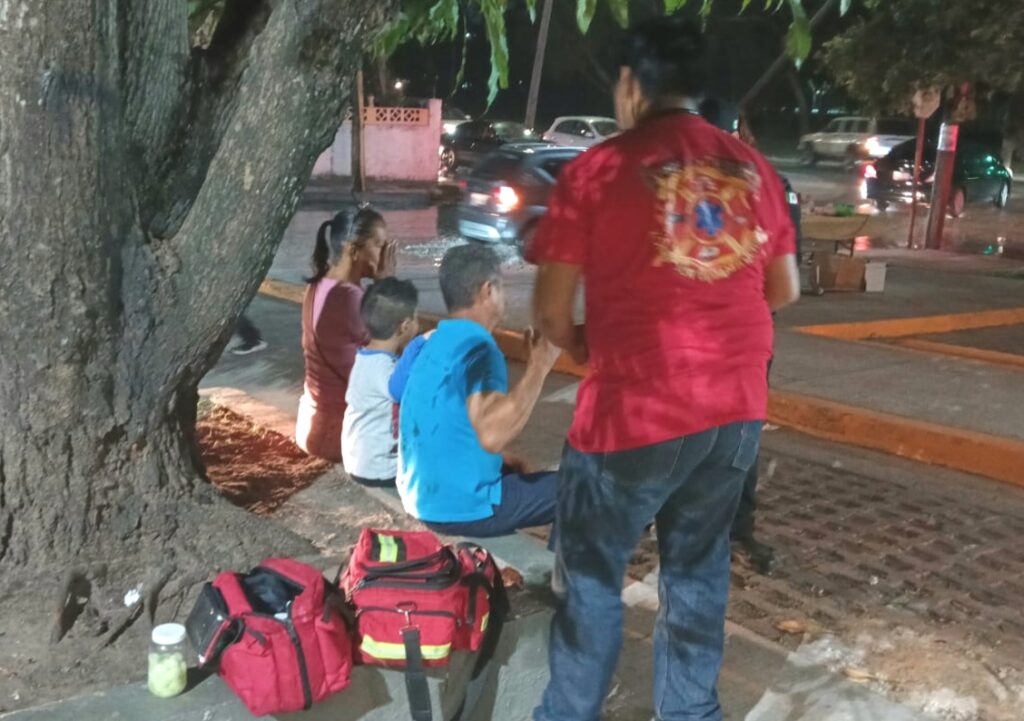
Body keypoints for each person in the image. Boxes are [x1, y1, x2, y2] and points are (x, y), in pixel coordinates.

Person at [529, 17, 800, 721]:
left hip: (634, 413)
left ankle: (569, 712)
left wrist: (589, 345)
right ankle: (690, 711)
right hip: (736, 412)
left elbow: (551, 314)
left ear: (630, 86)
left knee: (590, 572)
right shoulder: (753, 168)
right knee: (697, 569)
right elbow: (783, 290)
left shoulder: (597, 170)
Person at [699, 96, 803, 575]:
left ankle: (730, 528)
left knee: (726, 432)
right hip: (734, 335)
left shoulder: (763, 187)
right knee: (736, 432)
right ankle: (724, 528)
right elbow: (785, 285)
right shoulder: (767, 185)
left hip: (714, 335)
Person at [397, 243, 562, 538]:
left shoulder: (434, 342)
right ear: (488, 290)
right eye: (502, 288)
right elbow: (492, 435)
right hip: (461, 509)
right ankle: (569, 564)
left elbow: (445, 421)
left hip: (418, 496)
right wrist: (539, 366)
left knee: (520, 468)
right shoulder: (480, 349)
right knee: (584, 486)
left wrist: (506, 459)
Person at [295, 207, 396, 463]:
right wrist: (385, 284)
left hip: (314, 423)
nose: (385, 253)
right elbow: (391, 360)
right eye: (379, 245)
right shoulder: (349, 298)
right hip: (340, 433)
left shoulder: (318, 284)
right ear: (353, 250)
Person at [341, 278, 423, 487]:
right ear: (405, 326)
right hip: (378, 469)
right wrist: (417, 345)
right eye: (416, 318)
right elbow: (398, 390)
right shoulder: (380, 365)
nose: (418, 324)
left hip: (360, 461)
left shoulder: (366, 357)